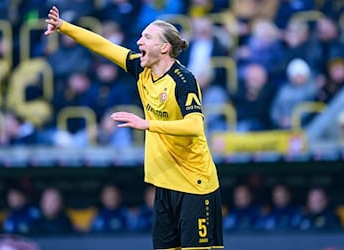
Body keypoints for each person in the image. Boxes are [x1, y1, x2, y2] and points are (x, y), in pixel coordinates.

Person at [45, 6, 223, 249]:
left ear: (164, 48)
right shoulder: (141, 68)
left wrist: (147, 124)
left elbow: (195, 126)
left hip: (195, 184)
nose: (139, 41)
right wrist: (64, 27)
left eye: (147, 37)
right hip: (165, 183)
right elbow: (103, 46)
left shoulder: (184, 80)